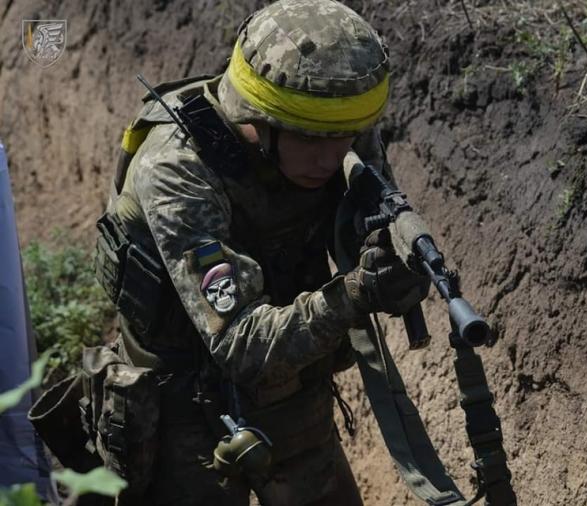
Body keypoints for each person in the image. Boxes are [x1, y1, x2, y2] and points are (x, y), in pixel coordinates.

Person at [92, 0, 429, 505]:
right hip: (182, 414)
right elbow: (242, 347)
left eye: (346, 137)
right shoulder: (179, 170)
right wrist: (356, 292)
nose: (332, 157)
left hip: (293, 390)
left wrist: (399, 273)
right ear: (259, 116)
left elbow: (374, 242)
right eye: (313, 140)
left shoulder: (338, 122)